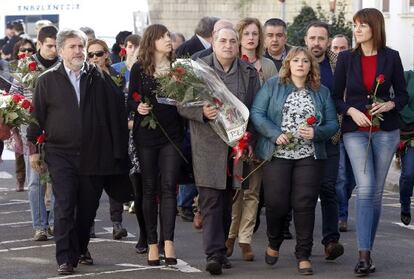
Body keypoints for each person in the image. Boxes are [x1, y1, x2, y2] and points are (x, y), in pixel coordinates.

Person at [27, 29, 130, 275]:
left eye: (80, 47)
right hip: (60, 153)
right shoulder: (47, 80)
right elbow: (36, 117)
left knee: (86, 208)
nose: (78, 51)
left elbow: (116, 108)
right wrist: (33, 151)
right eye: (73, 47)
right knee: (64, 205)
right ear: (61, 50)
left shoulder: (96, 77)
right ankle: (65, 258)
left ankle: (80, 247)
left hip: (93, 155)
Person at [178, 27, 260, 275]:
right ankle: (213, 254)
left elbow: (254, 108)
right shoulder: (198, 68)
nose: (228, 45)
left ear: (238, 45)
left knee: (228, 200)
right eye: (222, 41)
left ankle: (221, 251)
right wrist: (200, 112)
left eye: (232, 41)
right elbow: (182, 104)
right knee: (210, 199)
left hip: (237, 145)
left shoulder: (248, 72)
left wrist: (251, 142)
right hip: (207, 145)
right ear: (213, 42)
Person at [333, 8, 408, 276]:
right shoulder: (345, 58)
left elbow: (402, 95)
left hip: (386, 132)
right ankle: (363, 256)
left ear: (375, 28)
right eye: (355, 25)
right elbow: (335, 97)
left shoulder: (392, 57)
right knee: (365, 190)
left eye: (362, 25)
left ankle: (369, 251)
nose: (357, 30)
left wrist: (389, 104)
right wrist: (350, 111)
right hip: (355, 131)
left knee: (375, 193)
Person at [251, 46, 338, 275]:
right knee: (276, 203)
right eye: (296, 60)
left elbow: (332, 124)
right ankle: (274, 240)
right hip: (277, 154)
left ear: (311, 66)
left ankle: (303, 254)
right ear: (288, 64)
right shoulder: (273, 86)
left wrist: (316, 133)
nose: (301, 64)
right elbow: (257, 114)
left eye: (305, 61)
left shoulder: (322, 92)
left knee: (304, 203)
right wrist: (273, 133)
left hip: (309, 155)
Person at [128, 24, 183, 266]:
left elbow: (187, 98)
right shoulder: (139, 68)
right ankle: (152, 242)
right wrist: (138, 108)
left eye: (169, 36)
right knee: (149, 188)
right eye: (163, 37)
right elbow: (131, 98)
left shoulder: (179, 68)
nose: (168, 40)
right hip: (147, 134)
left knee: (169, 187)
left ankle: (168, 242)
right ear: (152, 41)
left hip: (172, 134)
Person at [225, 17, 276, 262]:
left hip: (258, 134)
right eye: (246, 33)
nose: (251, 38)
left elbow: (274, 103)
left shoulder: (267, 66)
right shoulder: (232, 64)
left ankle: (245, 239)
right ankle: (230, 236)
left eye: (255, 33)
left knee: (253, 191)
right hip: (234, 136)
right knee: (236, 190)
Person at [304, 20, 345, 260]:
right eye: (312, 38)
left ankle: (331, 241)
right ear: (306, 40)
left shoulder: (340, 64)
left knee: (329, 188)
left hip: (330, 137)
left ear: (328, 41)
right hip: (301, 141)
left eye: (321, 39)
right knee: (305, 194)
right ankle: (304, 243)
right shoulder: (297, 61)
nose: (316, 43)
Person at [86, 39, 129, 240]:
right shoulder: (84, 78)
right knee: (92, 188)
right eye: (91, 54)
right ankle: (89, 225)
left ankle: (117, 223)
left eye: (99, 53)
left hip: (115, 137)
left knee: (115, 181)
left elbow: (126, 102)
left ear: (106, 55)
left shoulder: (117, 77)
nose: (95, 58)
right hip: (93, 139)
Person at [330, 34, 354, 232]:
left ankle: (342, 206)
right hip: (337, 132)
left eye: (343, 48)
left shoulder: (355, 67)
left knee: (353, 179)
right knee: (341, 177)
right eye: (335, 48)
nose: (339, 52)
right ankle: (342, 215)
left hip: (356, 129)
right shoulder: (328, 71)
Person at [9, 38, 36, 193]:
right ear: (17, 53)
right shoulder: (15, 68)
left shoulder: (39, 67)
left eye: (30, 50)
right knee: (20, 150)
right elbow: (13, 92)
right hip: (22, 116)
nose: (26, 53)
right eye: (23, 50)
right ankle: (21, 179)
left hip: (40, 116)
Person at [398, 70, 414, 226]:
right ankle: (405, 204)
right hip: (409, 134)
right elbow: (399, 102)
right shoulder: (407, 76)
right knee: (409, 173)